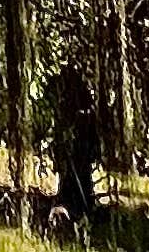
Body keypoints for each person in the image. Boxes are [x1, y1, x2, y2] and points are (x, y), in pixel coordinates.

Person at [46, 65, 104, 233]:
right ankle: (72, 215)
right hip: (76, 160)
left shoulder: (86, 116)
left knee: (80, 186)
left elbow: (92, 139)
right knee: (74, 186)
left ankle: (79, 214)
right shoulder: (78, 116)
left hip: (81, 160)